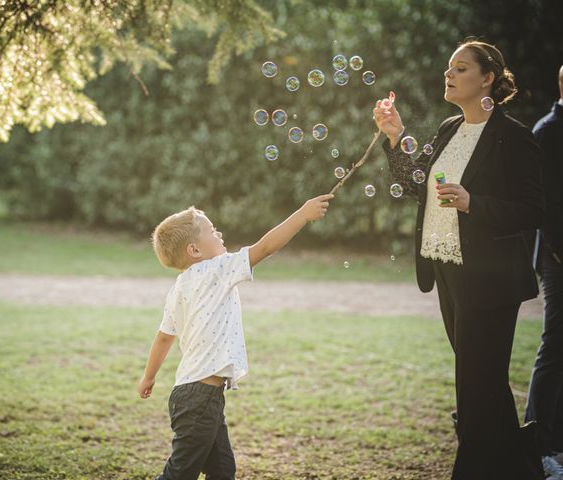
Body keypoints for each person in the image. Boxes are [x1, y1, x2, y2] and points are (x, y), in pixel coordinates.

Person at [373, 39, 544, 479]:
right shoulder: (450, 127)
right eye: (449, 67)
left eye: (461, 69)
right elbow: (417, 185)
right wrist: (395, 137)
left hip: (489, 280)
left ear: (487, 78)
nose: (449, 74)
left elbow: (533, 209)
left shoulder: (514, 137)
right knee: (485, 385)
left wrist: (473, 203)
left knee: (475, 388)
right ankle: (524, 467)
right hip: (446, 269)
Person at [138, 193, 334, 480]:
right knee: (180, 474)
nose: (218, 233)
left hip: (191, 394)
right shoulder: (218, 268)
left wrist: (149, 376)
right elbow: (265, 247)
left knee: (222, 471)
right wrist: (303, 214)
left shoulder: (178, 289)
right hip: (200, 398)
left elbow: (164, 337)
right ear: (194, 250)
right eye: (211, 230)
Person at [525, 65, 563, 479]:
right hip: (558, 258)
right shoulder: (549, 130)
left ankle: (558, 442)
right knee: (555, 346)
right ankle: (539, 446)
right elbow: (545, 203)